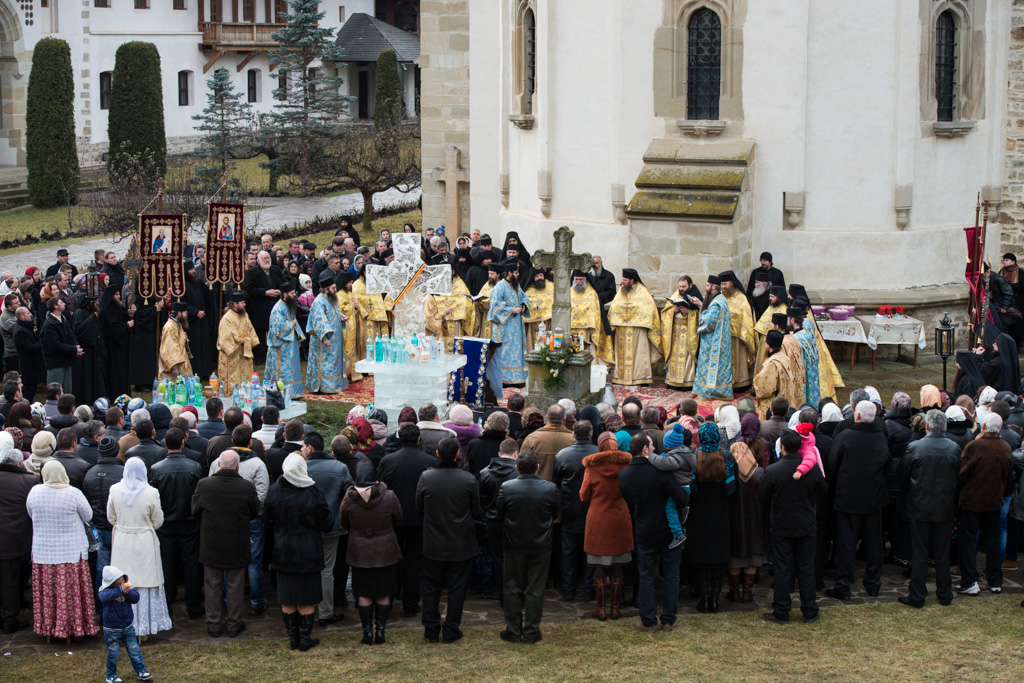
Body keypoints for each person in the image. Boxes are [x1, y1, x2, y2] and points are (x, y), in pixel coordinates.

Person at [618, 431, 689, 632]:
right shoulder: (661, 472)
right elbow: (683, 499)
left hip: (644, 529)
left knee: (646, 575)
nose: (655, 449)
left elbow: (630, 503)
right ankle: (668, 620)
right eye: (652, 446)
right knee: (671, 574)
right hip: (668, 529)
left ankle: (648, 620)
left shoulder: (624, 476)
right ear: (644, 449)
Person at [264, 453, 332, 651]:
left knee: (288, 596)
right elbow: (326, 523)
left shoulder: (275, 490)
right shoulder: (313, 492)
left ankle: (293, 638)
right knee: (307, 597)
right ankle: (304, 639)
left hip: (283, 550)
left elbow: (267, 520)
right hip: (309, 551)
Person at [416, 436, 481, 643]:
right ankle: (451, 628)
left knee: (431, 586)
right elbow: (476, 511)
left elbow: (419, 507)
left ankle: (431, 628)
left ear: (437, 453)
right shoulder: (469, 480)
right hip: (460, 541)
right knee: (457, 588)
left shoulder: (426, 477)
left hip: (433, 541)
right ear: (457, 455)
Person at [25, 460, 99, 641]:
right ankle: (77, 627)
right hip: (71, 551)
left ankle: (50, 628)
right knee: (72, 593)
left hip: (44, 552)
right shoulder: (73, 493)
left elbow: (30, 513)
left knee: (49, 592)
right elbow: (88, 515)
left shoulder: (35, 492)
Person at [759, 429, 826, 624]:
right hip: (805, 524)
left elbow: (763, 498)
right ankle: (809, 610)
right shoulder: (811, 469)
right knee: (806, 567)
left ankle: (782, 611)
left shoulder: (773, 471)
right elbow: (823, 492)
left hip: (782, 525)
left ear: (783, 448)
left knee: (783, 568)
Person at [825, 401, 890, 601]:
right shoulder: (880, 438)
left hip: (849, 497)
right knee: (873, 543)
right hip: (872, 497)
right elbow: (886, 463)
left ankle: (843, 585)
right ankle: (873, 583)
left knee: (847, 543)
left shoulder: (845, 437)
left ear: (857, 416)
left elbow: (832, 464)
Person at [191, 450, 260, 638]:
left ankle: (213, 624)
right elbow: (255, 511)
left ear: (219, 465)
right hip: (237, 542)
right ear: (237, 466)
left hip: (211, 542)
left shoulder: (204, 485)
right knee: (235, 585)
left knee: (212, 585)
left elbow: (195, 511)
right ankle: (233, 623)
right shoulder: (246, 487)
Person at [897, 410, 960, 608]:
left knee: (921, 553)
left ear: (927, 427)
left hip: (920, 507)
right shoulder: (953, 448)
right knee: (941, 554)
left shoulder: (916, 447)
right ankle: (944, 593)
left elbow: (902, 474)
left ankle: (917, 595)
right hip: (943, 508)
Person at [497, 450, 558, 644]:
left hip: (514, 543)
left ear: (517, 468)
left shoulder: (507, 487)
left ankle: (514, 631)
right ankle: (531, 631)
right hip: (540, 544)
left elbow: (500, 513)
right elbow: (554, 513)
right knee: (535, 588)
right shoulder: (549, 488)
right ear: (537, 468)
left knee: (512, 586)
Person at [376, 423, 436, 618]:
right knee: (414, 561)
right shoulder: (429, 460)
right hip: (418, 518)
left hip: (393, 518)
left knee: (393, 558)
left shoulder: (388, 461)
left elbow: (380, 489)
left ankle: (392, 598)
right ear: (418, 439)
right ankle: (410, 604)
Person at [209, 426, 270, 617]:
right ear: (250, 442)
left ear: (232, 441)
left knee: (228, 560)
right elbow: (262, 495)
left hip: (223, 519)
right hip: (252, 519)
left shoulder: (216, 463)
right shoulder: (258, 465)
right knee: (253, 561)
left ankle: (227, 599)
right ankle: (256, 601)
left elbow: (211, 488)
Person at [107, 458, 171, 637]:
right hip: (144, 541)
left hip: (122, 541)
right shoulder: (151, 492)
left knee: (124, 580)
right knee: (145, 581)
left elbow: (111, 518)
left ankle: (125, 623)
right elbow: (158, 521)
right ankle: (144, 626)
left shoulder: (114, 490)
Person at [340, 470, 403, 646]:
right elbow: (398, 518)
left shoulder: (349, 498)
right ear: (375, 480)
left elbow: (343, 520)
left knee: (363, 591)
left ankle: (367, 632)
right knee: (384, 590)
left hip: (359, 550)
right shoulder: (389, 496)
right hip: (385, 549)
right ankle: (380, 631)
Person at [149, 428, 204, 620]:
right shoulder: (194, 467)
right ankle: (194, 605)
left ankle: (168, 602)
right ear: (183, 442)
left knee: (167, 564)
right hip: (188, 522)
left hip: (167, 524)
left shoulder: (157, 469)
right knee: (191, 564)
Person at [956, 412, 1013, 596]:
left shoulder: (974, 446)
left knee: (969, 541)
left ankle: (970, 580)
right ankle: (995, 580)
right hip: (994, 501)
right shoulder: (1005, 447)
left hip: (973, 501)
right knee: (992, 541)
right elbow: (1006, 476)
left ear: (984, 427)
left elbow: (962, 474)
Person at [304, 433, 354, 628]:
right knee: (326, 570)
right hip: (331, 527)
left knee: (309, 568)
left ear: (309, 448)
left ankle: (307, 608)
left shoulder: (302, 467)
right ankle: (325, 612)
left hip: (306, 526)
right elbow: (349, 496)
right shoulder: (339, 468)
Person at [688, 423, 737, 613]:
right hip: (720, 510)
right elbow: (731, 488)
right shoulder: (726, 456)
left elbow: (691, 487)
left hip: (699, 511)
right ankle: (714, 599)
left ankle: (705, 599)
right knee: (718, 553)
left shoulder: (695, 454)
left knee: (700, 553)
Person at [553, 420, 597, 602]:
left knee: (569, 552)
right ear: (591, 434)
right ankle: (588, 591)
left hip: (570, 508)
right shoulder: (598, 454)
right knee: (590, 552)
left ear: (573, 434)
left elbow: (556, 482)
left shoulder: (563, 455)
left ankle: (569, 590)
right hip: (592, 509)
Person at [0, 442, 37, 634]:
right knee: (10, 582)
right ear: (18, 464)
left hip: (9, 541)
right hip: (13, 541)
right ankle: (9, 620)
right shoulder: (28, 482)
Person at [726, 442, 768, 603]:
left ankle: (734, 591)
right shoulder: (760, 473)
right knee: (753, 554)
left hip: (734, 520)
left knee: (735, 555)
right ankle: (747, 593)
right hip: (755, 519)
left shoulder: (729, 473)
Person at [606, 269, 662, 386]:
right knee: (622, 354)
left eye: (625, 280)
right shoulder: (621, 290)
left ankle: (641, 378)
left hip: (638, 329)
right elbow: (614, 307)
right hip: (622, 329)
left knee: (639, 354)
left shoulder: (642, 291)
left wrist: (631, 314)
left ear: (632, 280)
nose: (623, 282)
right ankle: (621, 378)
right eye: (622, 279)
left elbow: (648, 308)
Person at [97, 566, 153, 682]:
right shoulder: (104, 591)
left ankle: (141, 671)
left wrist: (127, 593)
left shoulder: (128, 587)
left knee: (135, 651)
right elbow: (104, 598)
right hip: (112, 630)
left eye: (123, 581)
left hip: (127, 627)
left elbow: (135, 598)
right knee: (113, 653)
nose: (122, 584)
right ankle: (111, 675)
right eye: (118, 582)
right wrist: (119, 590)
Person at [489, 259, 531, 384]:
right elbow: (495, 306)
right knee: (504, 351)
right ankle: (504, 379)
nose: (518, 275)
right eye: (516, 273)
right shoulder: (499, 287)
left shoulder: (516, 285)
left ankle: (517, 378)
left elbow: (524, 297)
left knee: (517, 352)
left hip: (516, 327)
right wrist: (512, 309)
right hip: (504, 327)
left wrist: (523, 304)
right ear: (509, 273)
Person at [306, 272, 348, 394]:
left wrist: (341, 316)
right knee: (326, 363)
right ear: (326, 289)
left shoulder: (329, 299)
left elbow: (333, 312)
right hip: (325, 340)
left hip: (335, 340)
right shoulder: (319, 301)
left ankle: (334, 385)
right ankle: (324, 386)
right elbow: (320, 320)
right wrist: (324, 337)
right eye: (333, 288)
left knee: (333, 362)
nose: (335, 290)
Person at [659, 276, 702, 389]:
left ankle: (687, 382)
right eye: (680, 286)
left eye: (684, 286)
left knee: (687, 358)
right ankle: (673, 381)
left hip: (688, 334)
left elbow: (701, 314)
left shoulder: (696, 297)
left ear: (690, 286)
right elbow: (665, 312)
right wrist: (672, 311)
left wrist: (689, 312)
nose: (681, 289)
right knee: (674, 358)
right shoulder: (675, 295)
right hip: (675, 334)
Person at [718, 271, 757, 392]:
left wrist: (742, 334)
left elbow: (747, 318)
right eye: (722, 284)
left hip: (738, 338)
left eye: (725, 284)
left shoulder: (741, 298)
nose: (723, 287)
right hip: (723, 337)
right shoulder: (721, 297)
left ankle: (741, 383)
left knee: (738, 361)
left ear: (732, 283)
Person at [243, 250, 285, 364]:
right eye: (264, 259)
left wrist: (280, 291)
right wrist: (265, 292)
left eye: (268, 258)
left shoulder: (276, 270)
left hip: (275, 306)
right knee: (260, 333)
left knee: (275, 331)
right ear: (258, 261)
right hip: (260, 307)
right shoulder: (252, 273)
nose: (267, 260)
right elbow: (250, 289)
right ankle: (260, 357)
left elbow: (283, 283)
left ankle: (277, 354)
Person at [265, 282, 306, 397]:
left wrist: (298, 338)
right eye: (292, 293)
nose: (294, 295)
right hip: (281, 345)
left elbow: (294, 321)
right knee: (284, 370)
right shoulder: (277, 308)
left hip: (291, 343)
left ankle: (294, 392)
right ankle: (282, 392)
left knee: (292, 369)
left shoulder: (289, 305)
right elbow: (277, 328)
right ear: (284, 294)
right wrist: (290, 324)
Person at [694, 275, 732, 399]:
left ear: (714, 287)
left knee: (714, 367)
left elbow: (709, 322)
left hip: (715, 342)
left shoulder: (717, 303)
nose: (706, 288)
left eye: (707, 286)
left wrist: (700, 322)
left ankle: (712, 391)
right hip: (717, 341)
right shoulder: (720, 300)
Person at [753, 330, 803, 420]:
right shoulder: (785, 358)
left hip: (775, 404)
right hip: (785, 401)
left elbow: (764, 388)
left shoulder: (772, 363)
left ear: (768, 346)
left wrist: (756, 382)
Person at [217, 292, 261, 391]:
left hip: (244, 352)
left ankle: (245, 394)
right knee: (233, 377)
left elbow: (250, 329)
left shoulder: (244, 315)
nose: (244, 304)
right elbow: (226, 337)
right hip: (232, 353)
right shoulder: (227, 318)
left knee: (245, 376)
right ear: (235, 304)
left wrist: (250, 341)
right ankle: (231, 395)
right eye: (242, 303)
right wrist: (242, 340)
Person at [520, 404, 575, 484]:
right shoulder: (573, 439)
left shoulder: (532, 438)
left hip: (538, 488)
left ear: (547, 417)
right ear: (564, 419)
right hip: (565, 490)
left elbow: (522, 465)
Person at [181, 260, 214, 378]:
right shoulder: (181, 286)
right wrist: (195, 312)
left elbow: (208, 297)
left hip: (202, 321)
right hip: (191, 322)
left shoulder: (198, 283)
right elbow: (181, 302)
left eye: (193, 269)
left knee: (204, 346)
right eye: (190, 270)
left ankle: (206, 371)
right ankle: (196, 372)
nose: (193, 271)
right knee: (194, 348)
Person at [40, 296, 82, 388]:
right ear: (55, 306)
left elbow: (71, 334)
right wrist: (73, 349)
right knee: (56, 391)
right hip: (55, 363)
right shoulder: (49, 324)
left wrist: (76, 346)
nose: (64, 304)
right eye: (61, 302)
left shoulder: (63, 318)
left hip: (66, 360)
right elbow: (54, 345)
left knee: (67, 389)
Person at [97, 289, 132, 398]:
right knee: (115, 372)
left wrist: (130, 313)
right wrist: (127, 326)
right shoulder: (107, 310)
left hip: (120, 346)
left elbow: (122, 316)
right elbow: (114, 327)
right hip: (112, 346)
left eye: (118, 294)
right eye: (116, 294)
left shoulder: (116, 307)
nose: (118, 297)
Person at [570, 270, 611, 360]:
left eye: (581, 279)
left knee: (584, 349)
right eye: (576, 279)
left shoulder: (592, 293)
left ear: (585, 280)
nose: (578, 282)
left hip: (586, 328)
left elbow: (595, 311)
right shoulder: (569, 292)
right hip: (571, 328)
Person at [13, 307, 45, 402]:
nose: (30, 314)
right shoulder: (20, 332)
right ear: (22, 316)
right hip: (29, 366)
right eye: (27, 313)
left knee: (32, 389)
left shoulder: (27, 328)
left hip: (33, 365)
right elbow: (30, 348)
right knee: (28, 392)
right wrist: (42, 342)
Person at [159, 302, 193, 379]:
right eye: (185, 313)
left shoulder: (177, 324)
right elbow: (169, 348)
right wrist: (174, 367)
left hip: (182, 362)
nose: (186, 315)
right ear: (179, 313)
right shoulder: (169, 327)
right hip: (174, 366)